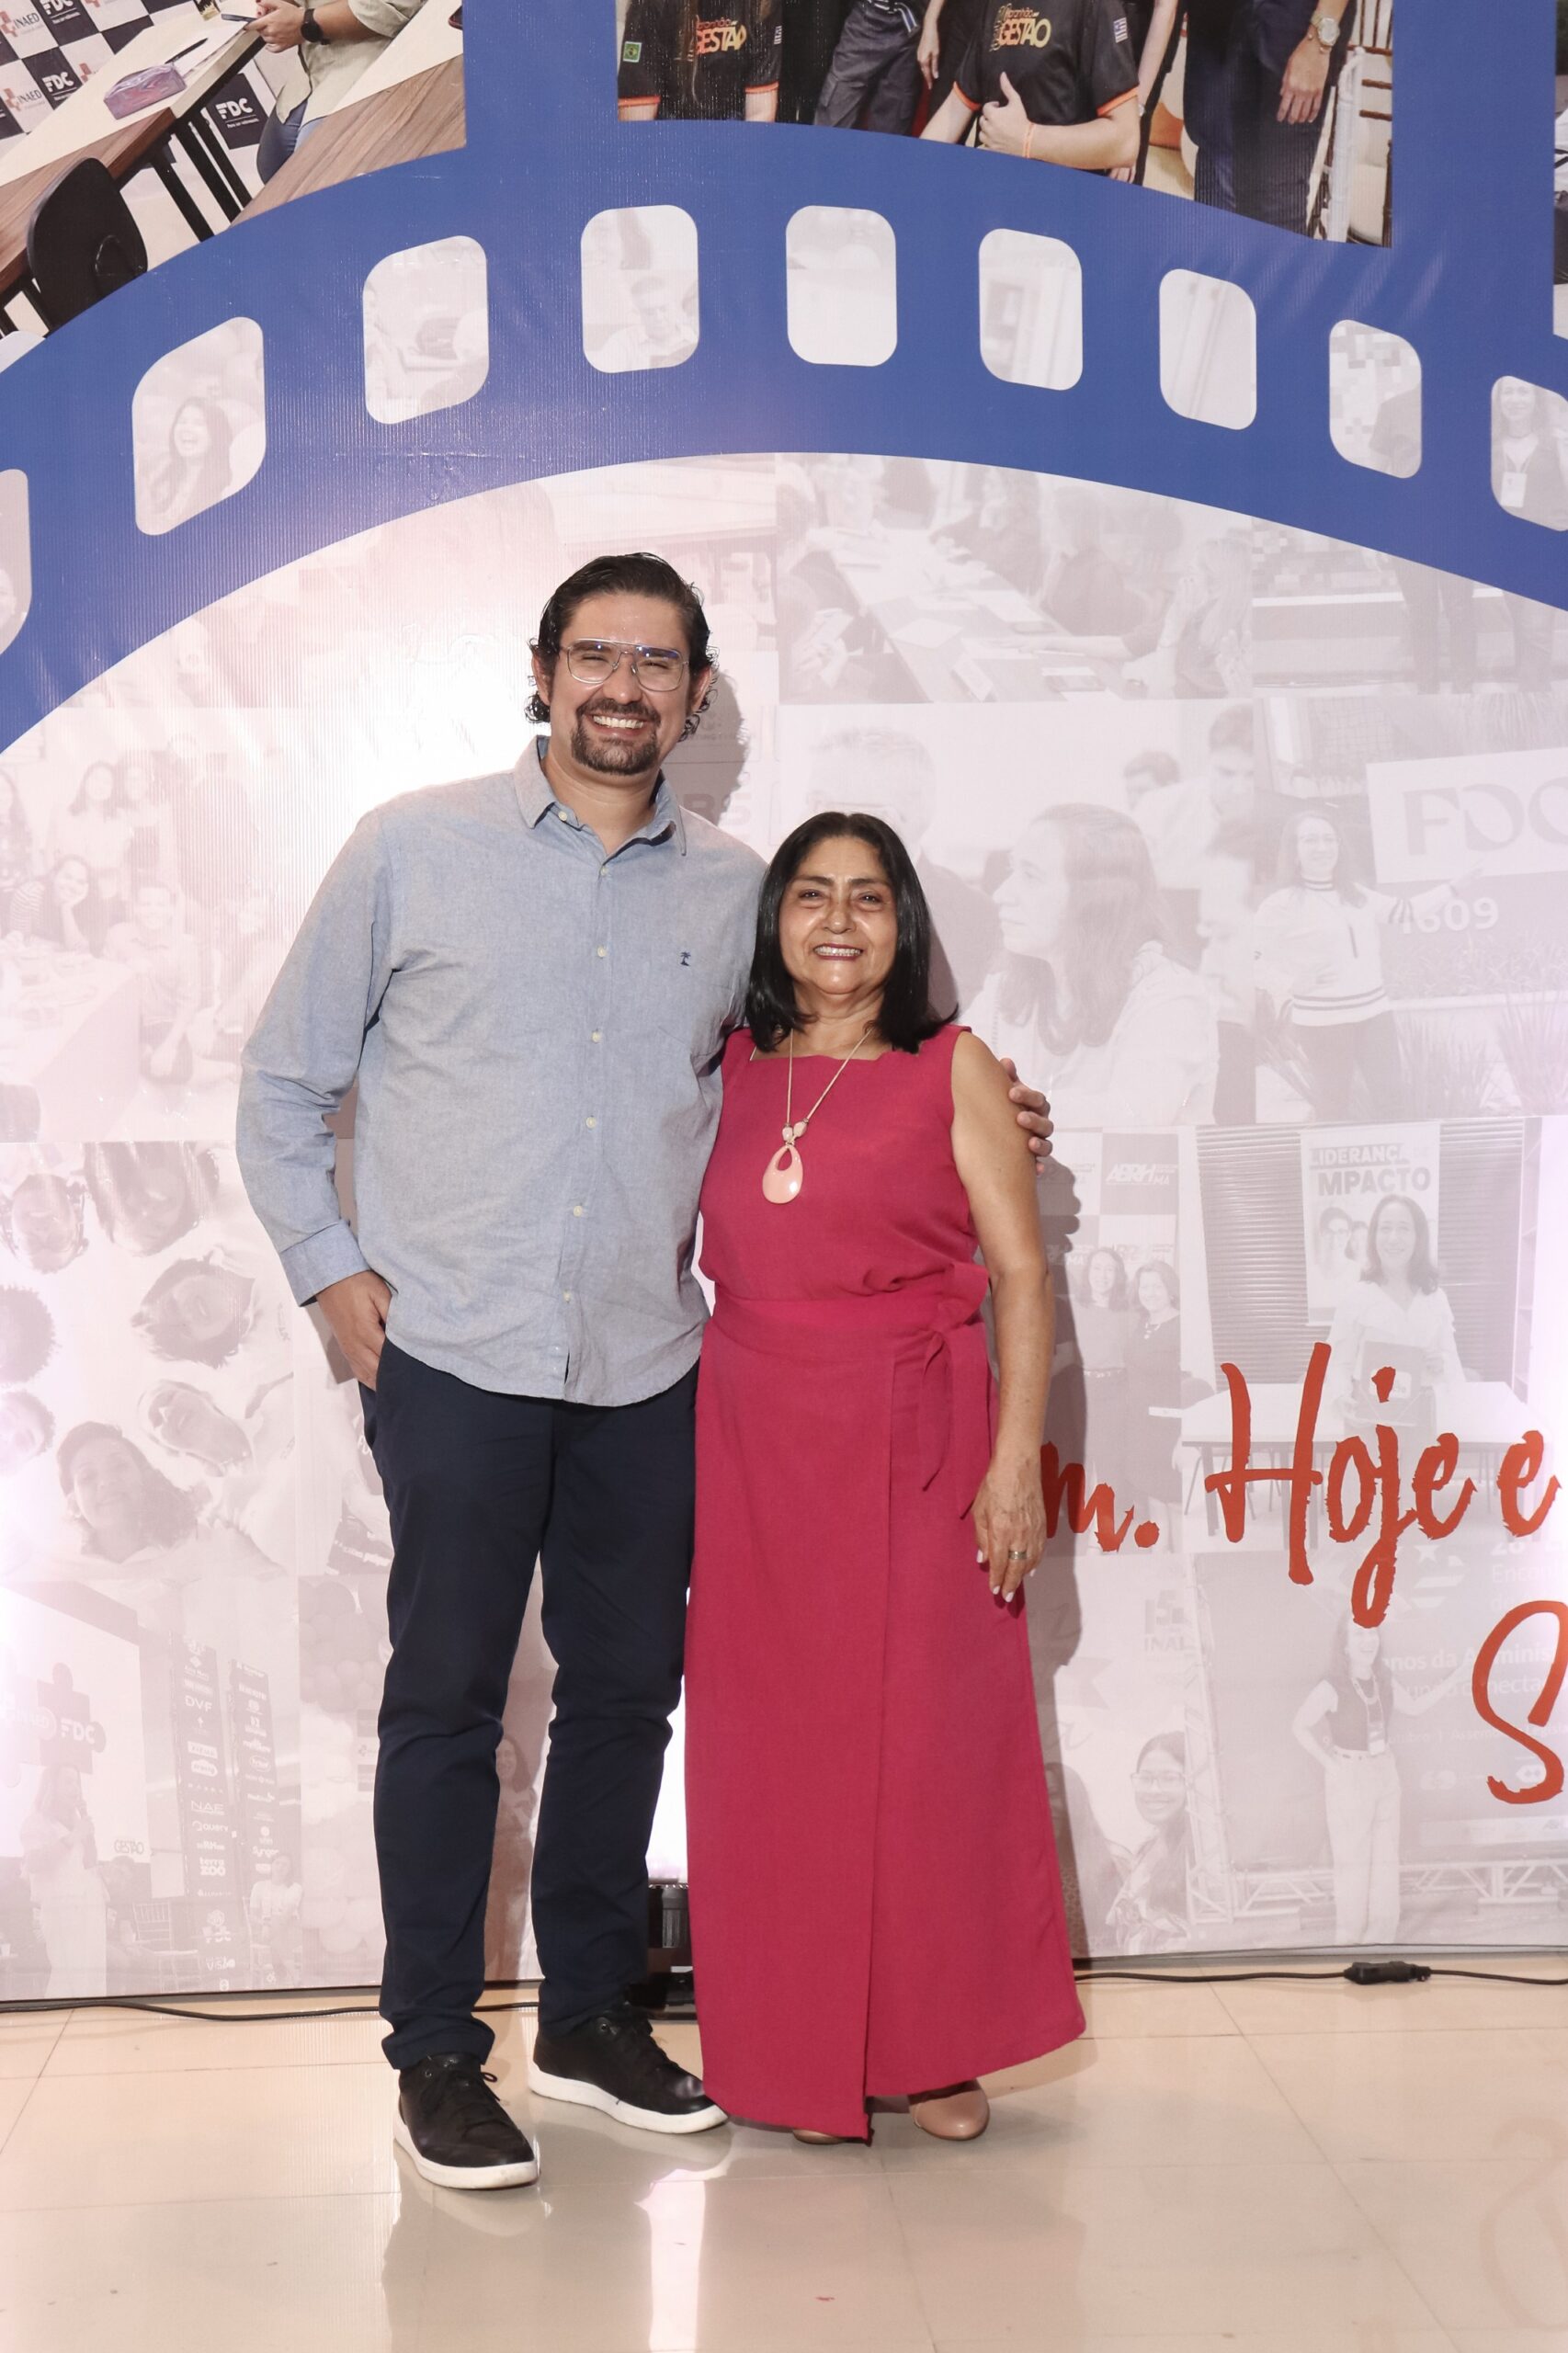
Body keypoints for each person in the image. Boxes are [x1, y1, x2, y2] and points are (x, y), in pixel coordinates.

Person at [236, 550, 1054, 2191]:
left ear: (695, 694)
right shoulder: (410, 849)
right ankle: (435, 2052)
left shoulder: (737, 893)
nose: (624, 687)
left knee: (625, 1699)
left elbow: (829, 1056)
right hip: (455, 1352)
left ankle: (592, 2016)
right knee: (449, 1701)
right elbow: (280, 1086)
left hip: (649, 1370)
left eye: (658, 662)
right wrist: (332, 1275)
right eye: (596, 656)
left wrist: (986, 1112)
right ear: (542, 672)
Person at [685, 813, 1084, 2141]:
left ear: (903, 922)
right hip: (755, 1447)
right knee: (776, 1759)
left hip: (919, 1437)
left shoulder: (951, 1065)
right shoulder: (727, 1066)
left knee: (927, 1753)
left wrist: (1012, 1464)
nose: (838, 922)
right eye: (811, 896)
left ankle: (934, 2048)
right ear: (775, 921)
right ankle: (803, 2053)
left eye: (867, 897)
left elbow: (1019, 1272)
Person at [971, 803, 1218, 1127]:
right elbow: (944, 1083)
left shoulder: (1171, 996)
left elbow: (1135, 1116)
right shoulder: (1003, 990)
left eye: (1031, 876)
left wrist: (1003, 1105)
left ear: (1097, 899)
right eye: (1011, 870)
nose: (1001, 894)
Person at [1254, 807, 1457, 1124]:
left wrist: (1453, 888)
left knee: (1392, 1105)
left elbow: (1406, 911)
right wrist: (1289, 984)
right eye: (1310, 840)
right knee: (1334, 1109)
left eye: (1329, 839)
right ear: (1294, 849)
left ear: (1339, 846)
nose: (1322, 847)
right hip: (1322, 1023)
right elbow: (1249, 957)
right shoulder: (1281, 904)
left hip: (1374, 1015)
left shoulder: (1357, 895)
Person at [1292, 1617, 1467, 1945]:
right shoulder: (1332, 1686)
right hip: (1350, 1775)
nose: (1367, 1640)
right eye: (1359, 1634)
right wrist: (1330, 1765)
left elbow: (1414, 1707)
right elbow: (1299, 1725)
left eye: (1371, 1632)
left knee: (1386, 1861)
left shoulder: (1383, 1678)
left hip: (1385, 1771)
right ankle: (1349, 1941)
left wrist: (1456, 1678)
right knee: (1352, 1863)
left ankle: (1381, 1939)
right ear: (1345, 1644)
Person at [804, 725, 1001, 1006]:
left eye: (831, 805)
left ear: (907, 814)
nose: (813, 819)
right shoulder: (784, 894)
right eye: (815, 801)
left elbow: (942, 1013)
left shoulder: (970, 913)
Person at [1183, 0, 1357, 236]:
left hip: (1295, 26)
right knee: (1215, 170)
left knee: (1276, 200)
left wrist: (1319, 39)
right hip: (1218, 20)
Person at [921, 0, 1139, 171]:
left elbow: (1126, 141)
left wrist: (1029, 139)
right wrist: (913, 167)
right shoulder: (995, 6)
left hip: (1058, 198)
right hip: (996, 189)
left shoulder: (1096, 6)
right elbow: (955, 108)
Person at [1324, 1194, 1463, 1422]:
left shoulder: (1436, 1299)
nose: (1393, 1238)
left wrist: (1443, 1364)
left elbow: (1452, 1363)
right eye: (1385, 1228)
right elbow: (1339, 1362)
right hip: (1368, 1419)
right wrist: (1340, 1396)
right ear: (1374, 1236)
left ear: (1418, 1237)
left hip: (1423, 1418)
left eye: (1404, 1228)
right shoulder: (1355, 1297)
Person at [256, 0, 426, 180]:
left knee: (316, 174)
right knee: (272, 166)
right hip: (315, 61)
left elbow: (391, 7)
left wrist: (304, 23)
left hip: (379, 53)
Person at [1491, 378, 1568, 690]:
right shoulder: (1491, 446)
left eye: (1523, 391)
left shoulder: (1555, 442)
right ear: (1499, 401)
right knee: (1524, 630)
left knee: (1536, 629)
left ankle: (1536, 704)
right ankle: (1530, 700)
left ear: (1536, 399)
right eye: (1508, 392)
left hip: (1547, 548)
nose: (1515, 399)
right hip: (1508, 551)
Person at [104, 878, 205, 1087]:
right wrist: (125, 970)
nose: (153, 911)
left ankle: (145, 1055)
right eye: (146, 904)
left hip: (162, 1022)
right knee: (91, 1057)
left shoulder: (185, 947)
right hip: (122, 1020)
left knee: (179, 1071)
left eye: (161, 904)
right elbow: (103, 982)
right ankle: (142, 1054)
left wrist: (169, 1047)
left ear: (171, 909)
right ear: (135, 908)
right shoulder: (117, 935)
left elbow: (189, 1003)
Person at [19, 1766, 108, 1998]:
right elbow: (34, 1862)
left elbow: (88, 1864)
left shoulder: (78, 1820)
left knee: (93, 1976)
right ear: (52, 1787)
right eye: (68, 1782)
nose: (75, 1788)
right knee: (70, 1975)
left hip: (89, 1903)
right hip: (61, 1907)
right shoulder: (36, 1822)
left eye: (77, 1782)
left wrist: (87, 1835)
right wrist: (74, 1836)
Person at [618, 0, 783, 120]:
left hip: (733, 127)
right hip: (671, 128)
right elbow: (637, 116)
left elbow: (760, 112)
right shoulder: (649, 5)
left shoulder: (763, 4)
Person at [1106, 1731, 1190, 1953]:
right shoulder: (1146, 1848)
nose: (1154, 1790)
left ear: (1193, 1782)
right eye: (1145, 1778)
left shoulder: (1201, 1855)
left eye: (1169, 1779)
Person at [1122, 1259, 1182, 1546]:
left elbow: (1191, 1386)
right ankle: (1162, 1563)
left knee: (1174, 1500)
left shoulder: (1182, 1326)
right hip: (1141, 1424)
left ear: (1170, 1289)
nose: (1150, 1293)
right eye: (1145, 1287)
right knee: (1154, 1497)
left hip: (1169, 1427)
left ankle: (1182, 1565)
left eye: (1157, 1286)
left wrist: (1184, 1437)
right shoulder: (1141, 1324)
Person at [814, 0, 923, 134]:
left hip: (912, 23)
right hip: (868, 15)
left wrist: (931, 23)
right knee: (831, 125)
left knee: (891, 132)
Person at [141, 401, 237, 535]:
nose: (187, 428)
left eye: (198, 423)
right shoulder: (161, 469)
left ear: (216, 434)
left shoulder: (226, 486)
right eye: (182, 421)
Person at [0, 1166, 87, 1272]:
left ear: (9, 1224)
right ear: (77, 1213)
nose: (42, 1232)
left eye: (30, 1243)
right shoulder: (85, 1161)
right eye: (58, 1239)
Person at [248, 1849, 305, 1986]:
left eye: (285, 1864)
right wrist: (264, 1925)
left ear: (290, 1869)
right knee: (277, 1938)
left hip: (291, 1929)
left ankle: (282, 1980)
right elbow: (253, 1916)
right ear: (271, 1865)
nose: (280, 1867)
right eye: (277, 1863)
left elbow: (286, 1915)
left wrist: (268, 1925)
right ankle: (294, 1976)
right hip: (264, 1930)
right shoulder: (259, 1887)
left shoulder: (295, 1888)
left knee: (276, 1938)